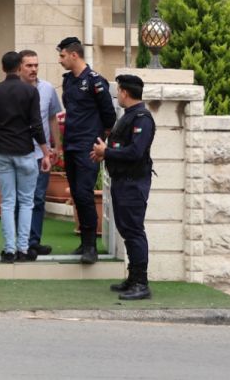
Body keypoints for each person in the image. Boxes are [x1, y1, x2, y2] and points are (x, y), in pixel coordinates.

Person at [0, 51, 51, 262]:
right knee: (27, 201)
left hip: (3, 150)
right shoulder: (30, 91)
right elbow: (37, 125)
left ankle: (9, 250)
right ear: (20, 67)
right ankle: (23, 249)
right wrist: (46, 152)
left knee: (8, 202)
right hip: (26, 150)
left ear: (3, 68)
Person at [92, 74, 156, 300]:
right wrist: (105, 153)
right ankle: (133, 278)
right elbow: (122, 147)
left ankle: (141, 282)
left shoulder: (142, 118)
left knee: (134, 230)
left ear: (125, 93)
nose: (117, 95)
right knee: (127, 230)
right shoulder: (129, 116)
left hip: (133, 183)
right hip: (122, 181)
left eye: (118, 91)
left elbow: (135, 152)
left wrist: (106, 152)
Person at [56, 36, 116, 264]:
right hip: (71, 144)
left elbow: (109, 115)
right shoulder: (69, 81)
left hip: (88, 146)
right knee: (77, 195)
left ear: (74, 55)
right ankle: (84, 241)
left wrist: (101, 140)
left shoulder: (95, 81)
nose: (60, 61)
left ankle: (91, 246)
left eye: (62, 56)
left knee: (84, 192)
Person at [19, 49, 63, 256]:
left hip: (41, 154)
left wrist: (57, 147)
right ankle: (19, 242)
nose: (33, 69)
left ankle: (33, 241)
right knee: (19, 199)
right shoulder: (12, 90)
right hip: (17, 153)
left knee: (37, 198)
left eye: (36, 65)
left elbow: (53, 118)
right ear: (19, 67)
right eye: (29, 65)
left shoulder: (47, 89)